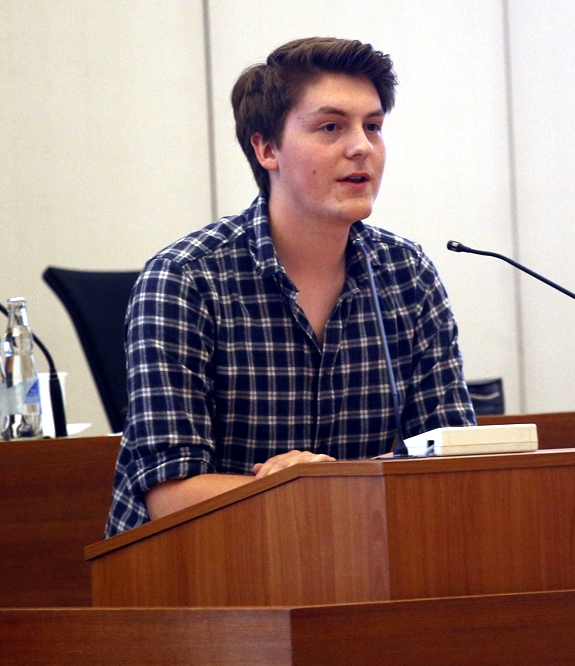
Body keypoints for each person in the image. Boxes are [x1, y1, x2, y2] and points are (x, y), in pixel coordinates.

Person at [104, 37, 475, 537]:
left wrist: (324, 485)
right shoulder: (186, 280)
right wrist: (294, 488)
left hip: (361, 563)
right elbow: (169, 493)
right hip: (196, 575)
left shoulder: (407, 274)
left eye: (373, 127)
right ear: (266, 148)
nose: (361, 147)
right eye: (331, 127)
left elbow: (452, 453)